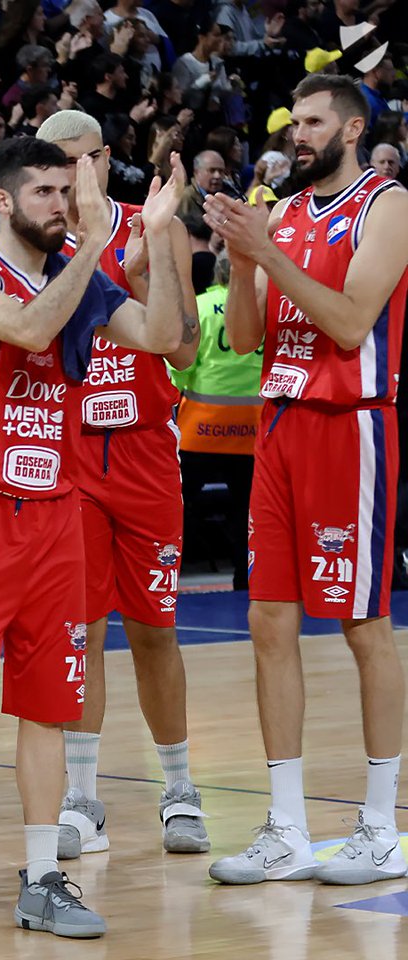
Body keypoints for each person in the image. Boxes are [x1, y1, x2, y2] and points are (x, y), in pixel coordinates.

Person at [0, 136, 185, 932]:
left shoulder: (81, 274)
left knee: (49, 703)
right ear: (3, 200)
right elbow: (26, 330)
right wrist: (95, 243)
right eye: (47, 193)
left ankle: (42, 875)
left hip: (59, 509)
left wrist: (159, 239)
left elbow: (163, 338)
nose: (63, 205)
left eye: (71, 191)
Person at [204, 74, 408, 885]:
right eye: (294, 121)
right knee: (267, 623)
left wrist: (266, 254)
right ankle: (285, 825)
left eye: (315, 122)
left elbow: (352, 320)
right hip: (280, 423)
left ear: (352, 130)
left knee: (363, 627)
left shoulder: (386, 203)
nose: (299, 133)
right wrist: (242, 257)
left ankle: (381, 823)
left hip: (350, 424)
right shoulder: (281, 213)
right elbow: (249, 335)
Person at [35, 109, 207, 860]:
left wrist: (149, 271)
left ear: (107, 159)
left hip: (142, 453)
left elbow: (185, 346)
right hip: (67, 457)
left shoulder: (153, 221)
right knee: (83, 630)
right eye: (56, 163)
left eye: (83, 161)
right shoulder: (31, 245)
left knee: (155, 629)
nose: (72, 177)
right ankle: (81, 797)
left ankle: (180, 789)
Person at [171, 252, 263, 591]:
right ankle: (245, 579)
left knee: (178, 507)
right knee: (246, 513)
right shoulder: (260, 308)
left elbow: (181, 368)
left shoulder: (201, 306)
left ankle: (166, 575)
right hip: (251, 431)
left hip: (200, 431)